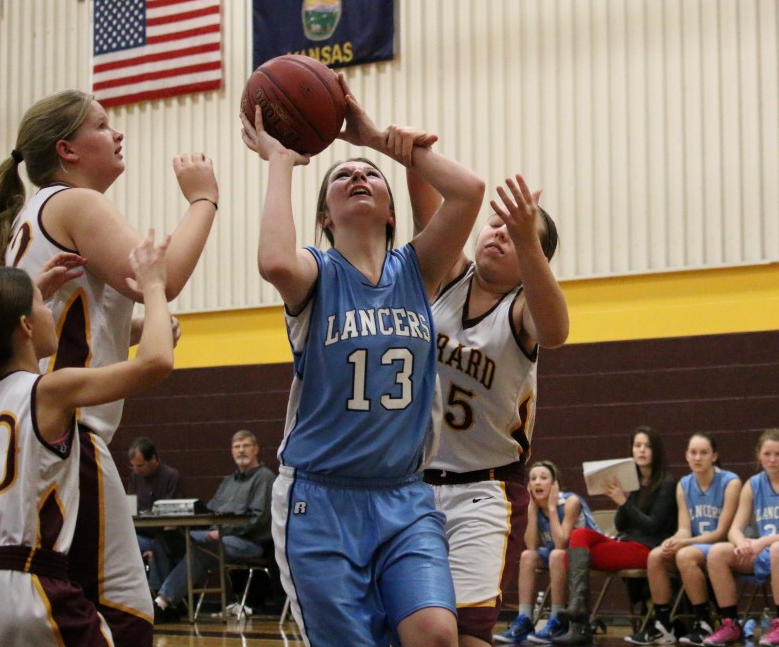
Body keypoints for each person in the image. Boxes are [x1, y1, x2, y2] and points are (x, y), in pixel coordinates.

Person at [241, 77, 485, 647]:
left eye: (370, 174)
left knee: (436, 634)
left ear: (392, 212)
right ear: (325, 218)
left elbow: (469, 192)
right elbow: (274, 261)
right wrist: (280, 162)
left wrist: (378, 140)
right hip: (320, 499)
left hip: (404, 495)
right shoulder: (316, 273)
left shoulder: (418, 270)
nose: (357, 176)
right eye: (342, 176)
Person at [0, 89, 217, 645]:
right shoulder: (76, 203)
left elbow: (65, 324)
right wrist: (203, 199)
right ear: (67, 149)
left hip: (29, 435)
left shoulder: (30, 217)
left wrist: (133, 327)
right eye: (102, 125)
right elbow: (164, 279)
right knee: (124, 614)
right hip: (68, 434)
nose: (117, 133)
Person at [0, 236, 175, 646]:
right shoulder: (50, 390)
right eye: (43, 304)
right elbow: (156, 361)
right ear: (25, 326)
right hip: (30, 582)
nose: (50, 309)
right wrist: (154, 287)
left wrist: (26, 294)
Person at [407, 163, 569, 646]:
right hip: (413, 483)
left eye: (513, 234)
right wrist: (404, 148)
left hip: (485, 489)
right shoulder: (448, 276)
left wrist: (527, 237)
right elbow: (425, 207)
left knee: (468, 630)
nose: (498, 234)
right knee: (410, 625)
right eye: (494, 225)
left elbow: (557, 331)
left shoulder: (521, 309)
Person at [552, 426, 679, 645]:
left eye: (647, 446)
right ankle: (578, 610)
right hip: (628, 542)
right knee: (580, 535)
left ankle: (579, 626)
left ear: (656, 450)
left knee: (570, 559)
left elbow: (652, 527)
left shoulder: (666, 483)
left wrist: (624, 502)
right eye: (637, 445)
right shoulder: (633, 482)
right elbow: (621, 524)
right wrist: (623, 500)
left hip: (649, 548)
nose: (642, 450)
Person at [703, 429, 779, 647]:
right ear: (758, 455)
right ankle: (730, 623)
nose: (772, 459)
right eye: (767, 454)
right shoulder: (753, 484)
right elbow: (734, 529)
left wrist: (762, 542)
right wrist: (741, 542)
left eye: (778, 454)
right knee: (717, 552)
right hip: (764, 550)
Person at [627, 433, 741, 646]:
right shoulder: (684, 484)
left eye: (703, 453)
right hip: (695, 546)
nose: (697, 458)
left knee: (685, 555)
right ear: (686, 456)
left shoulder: (730, 482)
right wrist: (673, 540)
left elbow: (721, 533)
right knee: (656, 556)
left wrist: (685, 543)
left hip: (722, 547)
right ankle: (663, 626)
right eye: (693, 453)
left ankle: (704, 623)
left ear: (714, 456)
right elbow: (684, 529)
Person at [151, 430, 276, 620]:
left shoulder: (265, 478)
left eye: (245, 445)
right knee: (166, 539)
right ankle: (163, 600)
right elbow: (210, 511)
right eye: (236, 446)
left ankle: (162, 603)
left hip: (248, 542)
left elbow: (258, 518)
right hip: (216, 535)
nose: (241, 450)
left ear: (256, 449)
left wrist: (222, 532)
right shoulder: (228, 481)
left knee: (202, 548)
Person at [496, 461, 598, 644]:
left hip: (587, 555)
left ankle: (557, 619)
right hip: (557, 555)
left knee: (556, 554)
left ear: (555, 484)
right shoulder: (535, 506)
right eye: (533, 478)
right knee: (527, 556)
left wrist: (551, 508)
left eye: (543, 478)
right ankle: (524, 619)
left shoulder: (570, 502)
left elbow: (561, 543)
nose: (537, 482)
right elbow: (531, 545)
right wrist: (531, 509)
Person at [127, 437, 185, 591]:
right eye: (133, 466)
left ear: (153, 458)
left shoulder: (171, 477)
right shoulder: (134, 478)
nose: (136, 470)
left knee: (162, 542)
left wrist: (155, 550)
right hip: (141, 535)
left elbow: (173, 519)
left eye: (140, 466)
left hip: (164, 536)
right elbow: (130, 508)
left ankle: (155, 592)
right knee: (120, 543)